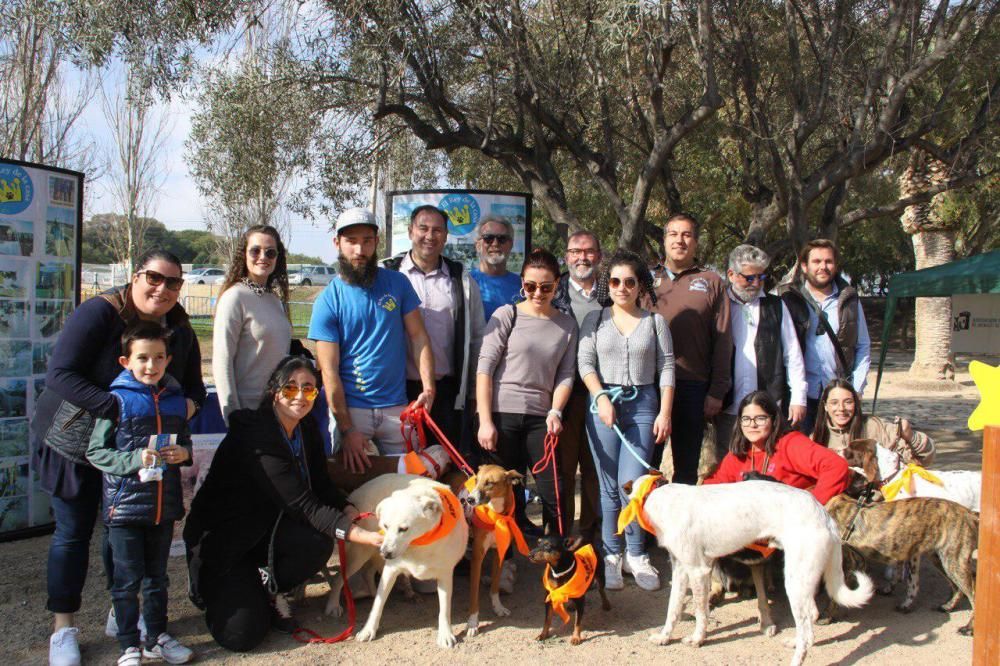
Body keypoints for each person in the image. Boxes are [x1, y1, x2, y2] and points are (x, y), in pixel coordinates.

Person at [32, 249, 205, 666]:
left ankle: (121, 616)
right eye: (153, 278)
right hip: (73, 441)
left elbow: (194, 391)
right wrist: (117, 408)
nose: (162, 289)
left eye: (174, 282)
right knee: (73, 533)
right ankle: (63, 629)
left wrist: (182, 413)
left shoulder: (179, 330)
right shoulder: (99, 312)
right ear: (134, 276)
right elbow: (60, 374)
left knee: (123, 532)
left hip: (134, 455)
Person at [183, 357, 382, 652]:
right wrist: (362, 535)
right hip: (226, 539)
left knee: (316, 542)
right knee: (242, 636)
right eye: (290, 389)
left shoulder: (306, 429)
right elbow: (304, 505)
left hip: (268, 527)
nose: (300, 396)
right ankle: (208, 583)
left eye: (309, 389)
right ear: (275, 392)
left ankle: (268, 586)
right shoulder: (257, 434)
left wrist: (346, 507)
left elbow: (321, 484)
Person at [86, 322, 195, 666]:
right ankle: (128, 644)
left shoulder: (177, 402)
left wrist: (184, 454)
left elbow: (185, 443)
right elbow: (96, 452)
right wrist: (132, 459)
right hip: (125, 510)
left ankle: (157, 637)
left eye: (159, 358)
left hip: (163, 509)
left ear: (168, 360)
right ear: (125, 361)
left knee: (157, 579)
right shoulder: (115, 401)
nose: (151, 365)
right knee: (126, 580)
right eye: (143, 358)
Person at [309, 208, 435, 474]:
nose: (360, 249)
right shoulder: (328, 300)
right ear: (337, 243)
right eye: (351, 241)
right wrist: (347, 428)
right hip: (353, 412)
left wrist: (428, 387)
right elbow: (328, 371)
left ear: (377, 242)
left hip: (398, 410)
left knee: (409, 485)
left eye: (367, 240)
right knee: (354, 485)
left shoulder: (397, 284)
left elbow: (419, 336)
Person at [578, 249, 674, 591]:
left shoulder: (654, 322)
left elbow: (666, 367)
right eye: (615, 281)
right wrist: (600, 395)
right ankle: (612, 554)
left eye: (629, 281)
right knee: (607, 487)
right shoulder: (595, 320)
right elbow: (585, 363)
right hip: (605, 405)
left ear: (640, 285)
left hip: (644, 404)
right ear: (608, 284)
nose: (622, 288)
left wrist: (664, 411)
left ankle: (637, 554)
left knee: (632, 486)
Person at [476, 248, 578, 535]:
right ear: (522, 282)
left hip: (540, 417)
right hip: (501, 413)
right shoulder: (506, 315)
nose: (537, 293)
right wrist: (485, 421)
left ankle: (555, 551)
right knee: (501, 494)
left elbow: (565, 374)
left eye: (546, 287)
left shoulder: (567, 325)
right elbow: (485, 369)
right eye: (530, 286)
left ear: (557, 284)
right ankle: (505, 559)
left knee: (551, 488)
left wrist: (556, 411)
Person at [383, 205, 485, 449]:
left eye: (437, 230)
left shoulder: (462, 280)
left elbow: (477, 339)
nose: (430, 236)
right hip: (395, 390)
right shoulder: (385, 272)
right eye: (423, 228)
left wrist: (472, 393)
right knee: (402, 468)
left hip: (446, 393)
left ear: (446, 236)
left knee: (443, 464)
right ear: (410, 231)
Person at [649, 213, 732, 483]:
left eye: (686, 235)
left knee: (686, 470)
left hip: (693, 387)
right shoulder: (646, 280)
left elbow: (723, 339)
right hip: (651, 386)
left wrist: (717, 391)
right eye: (673, 234)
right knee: (647, 466)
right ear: (664, 240)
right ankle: (645, 526)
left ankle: (680, 526)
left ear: (695, 242)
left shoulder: (712, 281)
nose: (679, 240)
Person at [717, 245, 807, 453]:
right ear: (731, 275)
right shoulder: (718, 306)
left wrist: (798, 398)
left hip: (769, 407)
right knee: (729, 466)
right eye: (749, 278)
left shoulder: (776, 306)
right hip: (728, 407)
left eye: (761, 277)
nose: (756, 283)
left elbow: (792, 355)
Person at [777, 239, 871, 434]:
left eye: (828, 262)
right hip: (801, 398)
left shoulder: (849, 300)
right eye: (817, 261)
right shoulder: (787, 299)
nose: (823, 267)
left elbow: (863, 346)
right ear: (804, 266)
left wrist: (856, 389)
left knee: (839, 456)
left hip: (838, 398)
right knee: (801, 457)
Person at [704, 391, 850, 506]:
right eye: (746, 419)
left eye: (760, 418)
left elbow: (836, 466)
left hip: (791, 531)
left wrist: (811, 506)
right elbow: (714, 486)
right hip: (752, 533)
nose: (752, 425)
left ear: (773, 420)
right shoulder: (739, 453)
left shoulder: (791, 444)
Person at [550, 230, 603, 540]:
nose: (582, 257)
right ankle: (561, 532)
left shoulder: (613, 291)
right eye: (575, 251)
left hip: (602, 393)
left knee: (596, 468)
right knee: (564, 470)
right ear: (567, 256)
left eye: (589, 251)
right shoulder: (553, 293)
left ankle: (590, 535)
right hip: (565, 393)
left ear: (599, 255)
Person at [213, 225, 292, 425]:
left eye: (270, 252)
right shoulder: (234, 297)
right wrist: (233, 416)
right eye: (255, 250)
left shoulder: (275, 300)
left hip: (278, 411)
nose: (262, 257)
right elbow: (222, 361)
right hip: (247, 413)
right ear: (244, 254)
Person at [811, 378, 935, 465]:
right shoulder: (816, 438)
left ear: (856, 404)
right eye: (834, 403)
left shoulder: (875, 427)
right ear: (825, 406)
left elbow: (925, 459)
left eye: (848, 402)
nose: (841, 408)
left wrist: (910, 436)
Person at [470, 216, 522, 321]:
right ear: (478, 245)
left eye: (502, 239)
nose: (495, 243)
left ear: (510, 244)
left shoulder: (523, 285)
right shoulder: (465, 283)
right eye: (488, 238)